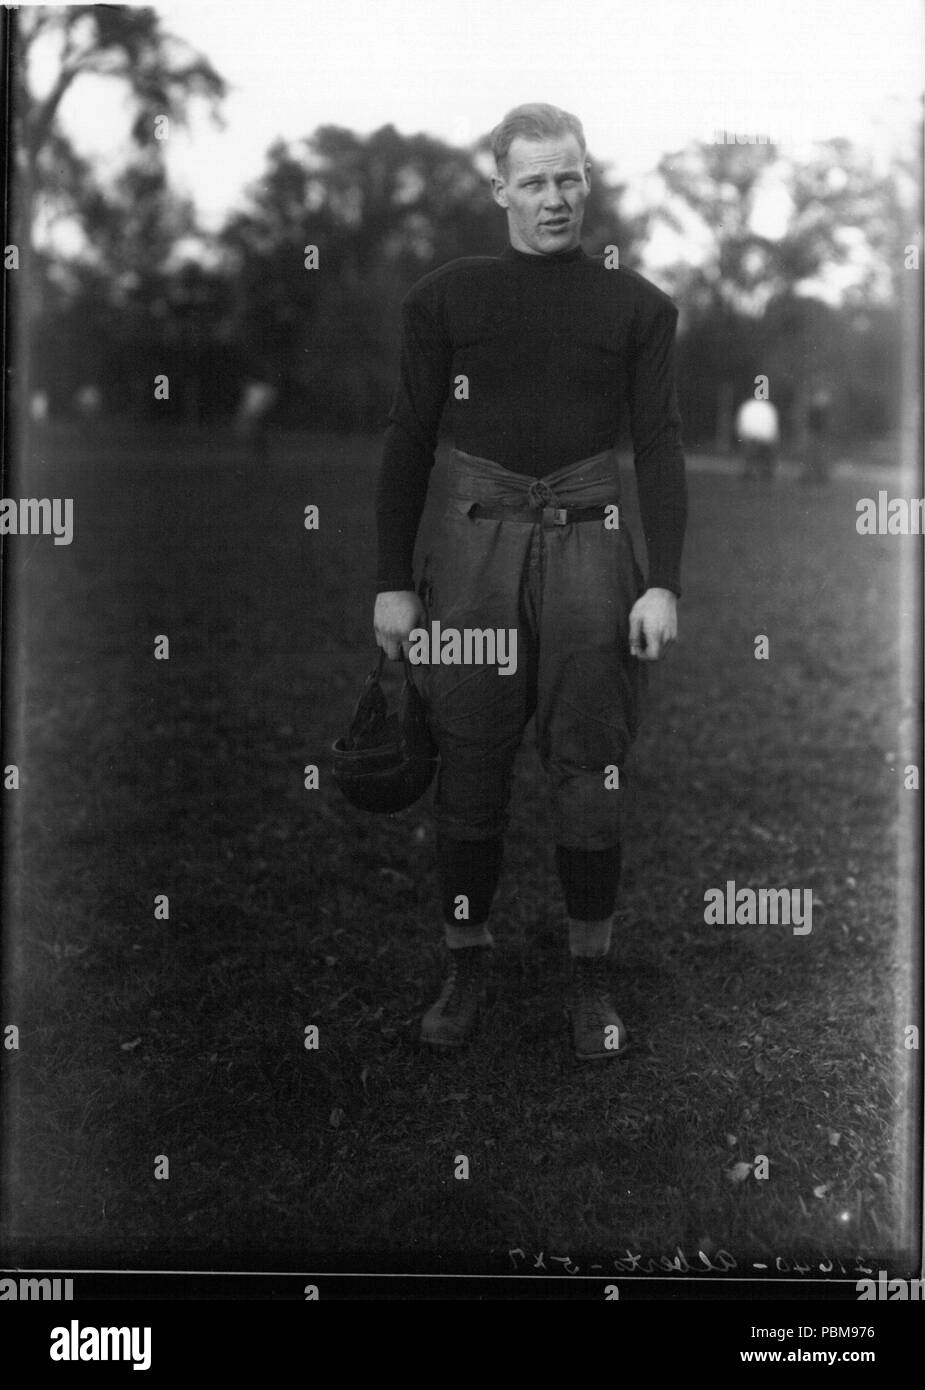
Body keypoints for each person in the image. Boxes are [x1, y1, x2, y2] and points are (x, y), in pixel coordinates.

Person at [373, 104, 687, 1060]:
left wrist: (663, 583)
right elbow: (408, 437)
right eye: (535, 181)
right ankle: (466, 962)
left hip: (592, 542)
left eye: (570, 178)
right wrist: (391, 581)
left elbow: (659, 444)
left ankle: (589, 976)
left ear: (587, 181)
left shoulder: (636, 306)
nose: (555, 198)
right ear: (500, 188)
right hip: (473, 543)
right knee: (468, 752)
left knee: (590, 761)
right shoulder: (446, 298)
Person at [735, 395, 779, 481]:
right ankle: (765, 474)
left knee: (750, 457)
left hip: (751, 439)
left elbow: (741, 425)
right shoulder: (768, 406)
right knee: (765, 460)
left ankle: (748, 473)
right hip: (764, 440)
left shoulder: (748, 405)